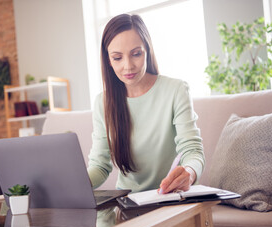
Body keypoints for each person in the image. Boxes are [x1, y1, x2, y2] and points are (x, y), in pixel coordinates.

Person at [87, 13, 204, 194]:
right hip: (128, 202)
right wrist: (76, 184)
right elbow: (100, 166)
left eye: (136, 54)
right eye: (117, 58)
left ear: (147, 51)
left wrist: (189, 172)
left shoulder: (176, 90)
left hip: (169, 195)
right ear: (108, 60)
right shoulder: (102, 103)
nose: (128, 66)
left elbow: (192, 150)